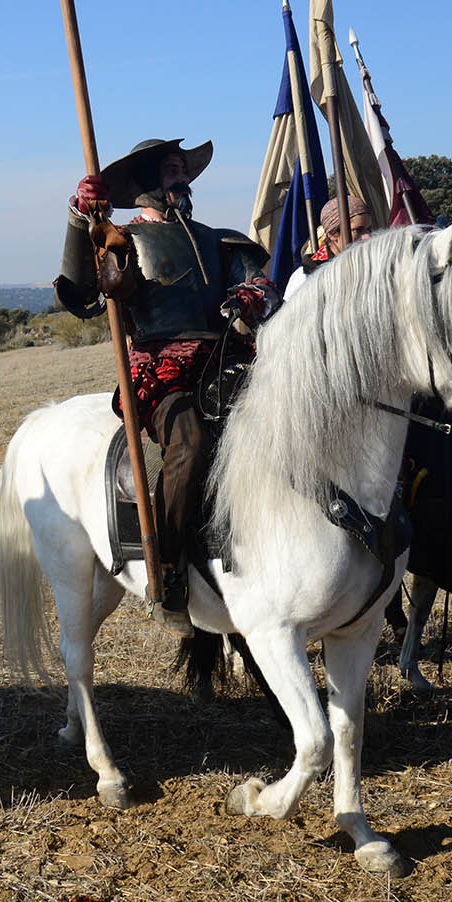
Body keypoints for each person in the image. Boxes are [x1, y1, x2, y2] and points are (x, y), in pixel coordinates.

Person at [55, 138, 278, 627]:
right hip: (161, 367)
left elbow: (263, 286)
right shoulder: (122, 240)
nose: (183, 178)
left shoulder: (219, 239)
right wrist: (81, 216)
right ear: (149, 184)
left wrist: (251, 294)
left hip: (226, 361)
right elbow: (79, 292)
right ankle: (172, 568)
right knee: (190, 440)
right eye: (172, 170)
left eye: (183, 170)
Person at [283, 196, 378, 300]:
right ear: (333, 235)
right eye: (357, 230)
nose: (367, 237)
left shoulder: (371, 267)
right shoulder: (307, 276)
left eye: (369, 229)